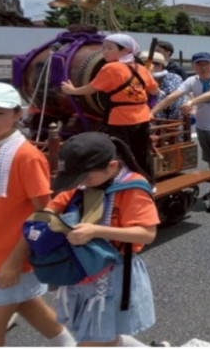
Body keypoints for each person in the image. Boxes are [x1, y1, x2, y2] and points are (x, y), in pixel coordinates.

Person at [0, 83, 77, 349]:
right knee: (29, 306)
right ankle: (69, 345)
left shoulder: (26, 156)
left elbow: (45, 212)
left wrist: (14, 259)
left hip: (10, 256)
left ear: (17, 114)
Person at [45, 133, 169, 349]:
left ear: (111, 166)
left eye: (85, 178)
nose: (80, 183)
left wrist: (96, 231)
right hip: (84, 270)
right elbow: (53, 207)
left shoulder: (132, 187)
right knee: (103, 335)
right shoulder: (83, 183)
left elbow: (147, 234)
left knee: (96, 338)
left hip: (114, 272)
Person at [61, 34, 159, 184]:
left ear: (125, 50)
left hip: (120, 119)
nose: (104, 52)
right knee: (142, 153)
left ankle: (124, 183)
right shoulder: (141, 68)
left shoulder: (111, 68)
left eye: (109, 48)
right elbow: (154, 91)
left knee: (121, 153)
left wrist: (72, 90)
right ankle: (149, 183)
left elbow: (91, 89)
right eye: (103, 48)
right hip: (142, 118)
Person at [152, 53, 210, 213]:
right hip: (204, 126)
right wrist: (153, 112)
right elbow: (173, 96)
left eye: (206, 64)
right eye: (199, 65)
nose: (203, 68)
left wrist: (190, 102)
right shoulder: (192, 81)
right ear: (194, 67)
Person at [141, 52, 185, 121]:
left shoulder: (173, 78)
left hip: (167, 123)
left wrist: (149, 78)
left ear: (159, 66)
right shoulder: (138, 78)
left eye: (145, 65)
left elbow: (172, 101)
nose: (142, 68)